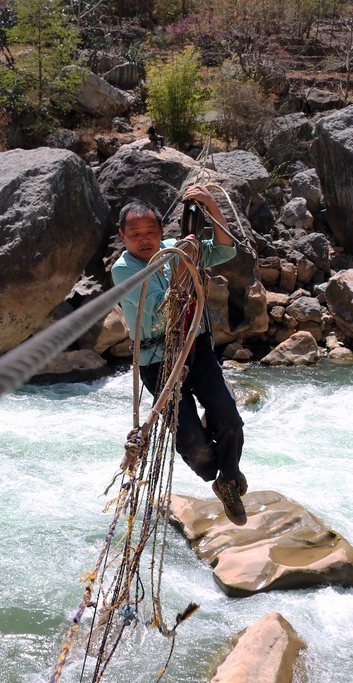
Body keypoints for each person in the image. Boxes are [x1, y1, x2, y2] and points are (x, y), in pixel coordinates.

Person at [110, 185, 248, 525]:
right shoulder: (124, 269)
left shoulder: (177, 248)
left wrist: (211, 205)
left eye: (151, 232)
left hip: (196, 348)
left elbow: (225, 250)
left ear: (161, 230)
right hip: (158, 362)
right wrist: (187, 267)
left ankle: (229, 480)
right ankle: (216, 470)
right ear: (122, 236)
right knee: (196, 452)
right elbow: (162, 310)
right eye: (135, 234)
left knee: (230, 420)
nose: (144, 240)